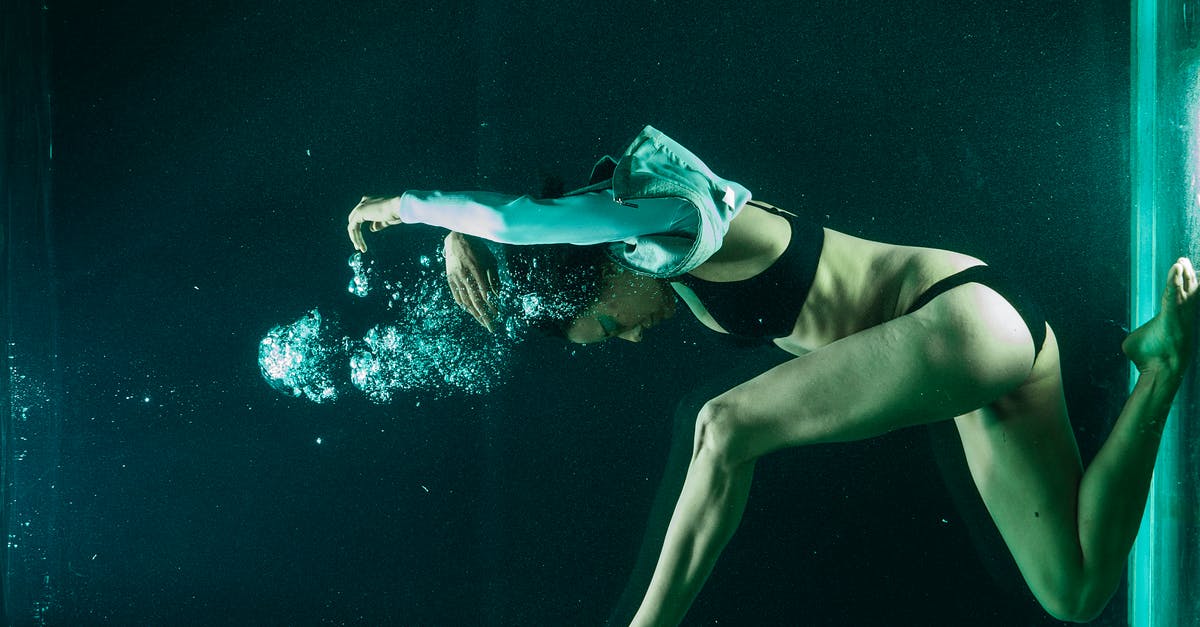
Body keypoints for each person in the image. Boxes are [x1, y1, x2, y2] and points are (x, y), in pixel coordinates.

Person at [346, 126, 1197, 625]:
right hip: (986, 340)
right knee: (1075, 590)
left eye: (607, 323)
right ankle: (1157, 370)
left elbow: (520, 218)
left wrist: (414, 206)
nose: (629, 338)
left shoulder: (676, 210)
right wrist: (478, 242)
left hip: (961, 318)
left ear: (599, 267)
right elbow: (523, 226)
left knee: (721, 428)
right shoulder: (666, 255)